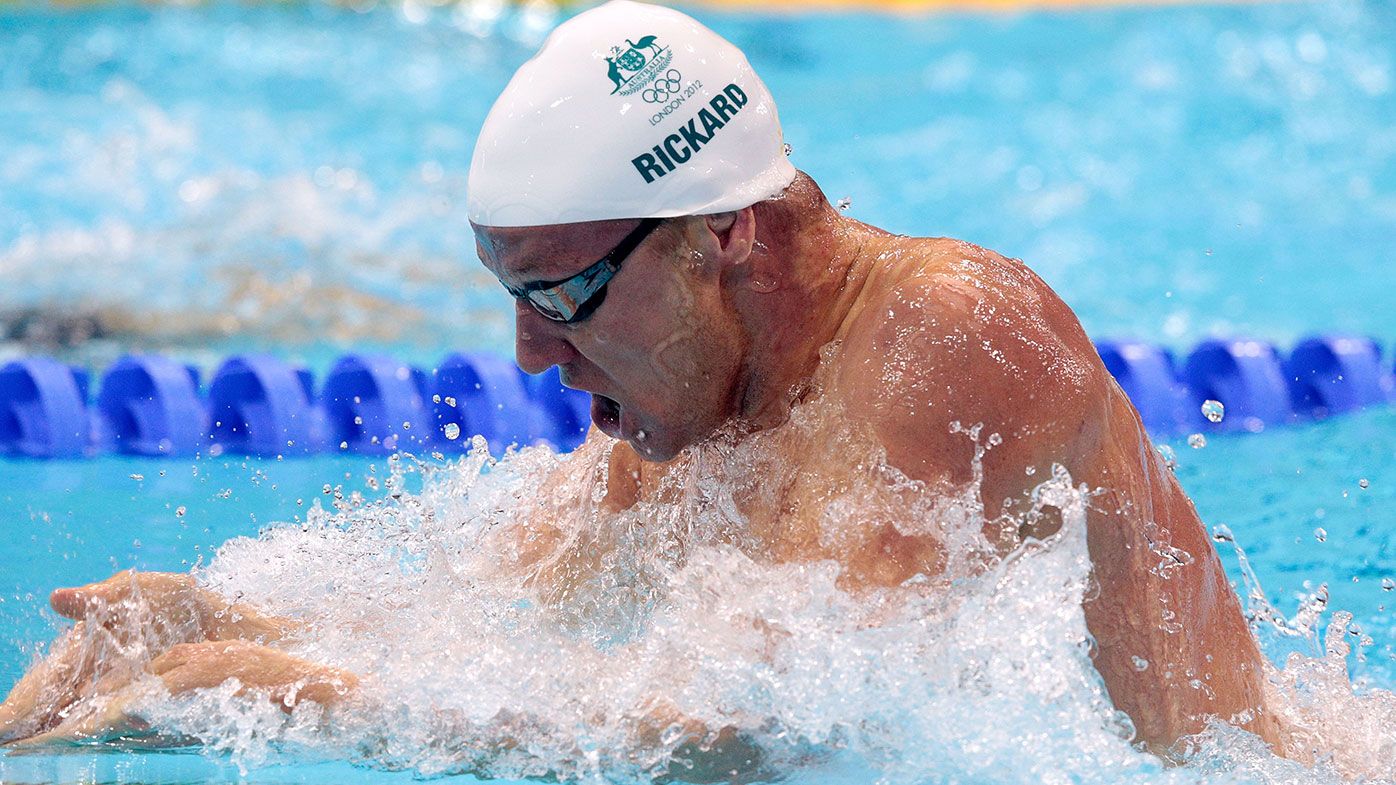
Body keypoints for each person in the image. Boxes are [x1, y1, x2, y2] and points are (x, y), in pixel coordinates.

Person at [0, 0, 1286, 769]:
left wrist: (296, 695)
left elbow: (757, 732)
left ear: (721, 236)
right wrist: (213, 625)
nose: (530, 358)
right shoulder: (706, 396)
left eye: (561, 297)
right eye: (510, 299)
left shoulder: (954, 329)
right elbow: (489, 622)